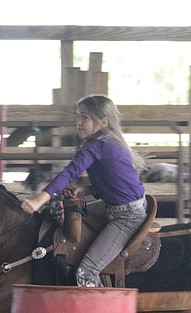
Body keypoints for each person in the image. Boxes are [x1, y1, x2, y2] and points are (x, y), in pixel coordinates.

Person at [20, 94, 146, 287]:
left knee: (86, 273)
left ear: (103, 121)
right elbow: (115, 183)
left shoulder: (97, 145)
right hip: (121, 207)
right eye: (77, 117)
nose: (78, 123)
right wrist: (85, 188)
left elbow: (68, 173)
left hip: (127, 217)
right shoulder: (108, 142)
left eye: (84, 117)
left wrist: (39, 200)